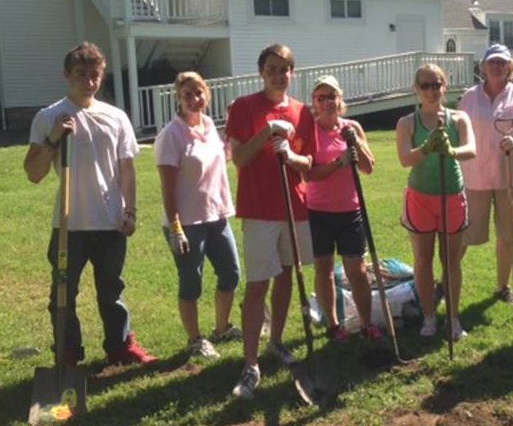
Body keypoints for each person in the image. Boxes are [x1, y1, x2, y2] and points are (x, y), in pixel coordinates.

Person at [23, 42, 157, 366]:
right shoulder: (49, 116)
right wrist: (54, 138)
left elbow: (126, 169)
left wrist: (130, 212)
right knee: (63, 296)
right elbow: (33, 173)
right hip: (70, 224)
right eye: (81, 74)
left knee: (112, 291)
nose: (89, 81)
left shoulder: (116, 117)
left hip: (110, 222)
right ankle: (68, 352)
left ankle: (120, 346)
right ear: (67, 75)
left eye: (95, 74)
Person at [225, 44, 316, 399]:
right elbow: (240, 159)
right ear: (261, 72)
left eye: (285, 69)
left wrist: (291, 155)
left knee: (286, 278)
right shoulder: (244, 108)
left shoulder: (302, 111)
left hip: (294, 207)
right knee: (258, 284)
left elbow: (308, 162)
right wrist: (266, 133)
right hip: (259, 209)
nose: (279, 75)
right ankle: (251, 364)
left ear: (292, 73)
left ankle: (276, 341)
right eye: (272, 69)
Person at [154, 72, 242, 359]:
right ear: (178, 99)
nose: (194, 99)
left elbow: (220, 160)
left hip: (216, 216)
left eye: (199, 93)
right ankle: (195, 340)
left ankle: (222, 328)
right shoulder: (171, 135)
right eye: (187, 94)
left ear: (207, 94)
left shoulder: (209, 127)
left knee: (231, 272)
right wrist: (176, 228)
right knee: (191, 281)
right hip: (187, 223)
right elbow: (167, 187)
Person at [396, 64, 476, 339]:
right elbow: (405, 159)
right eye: (425, 85)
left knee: (451, 261)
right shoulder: (407, 122)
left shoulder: (459, 118)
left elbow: (471, 149)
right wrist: (427, 147)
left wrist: (451, 150)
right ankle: (429, 318)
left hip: (451, 194)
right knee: (422, 259)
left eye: (436, 84)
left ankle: (453, 319)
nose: (431, 90)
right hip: (421, 196)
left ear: (445, 86)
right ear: (416, 89)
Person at [458, 44, 513, 303]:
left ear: (509, 67)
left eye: (502, 63)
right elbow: (458, 130)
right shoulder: (469, 97)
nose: (496, 67)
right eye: (492, 62)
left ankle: (502, 286)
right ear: (483, 67)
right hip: (475, 177)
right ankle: (447, 278)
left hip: (510, 178)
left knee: (508, 235)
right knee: (464, 234)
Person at [304, 75, 383, 342]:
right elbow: (309, 175)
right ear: (314, 102)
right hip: (317, 212)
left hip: (350, 211)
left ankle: (366, 323)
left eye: (331, 96)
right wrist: (338, 163)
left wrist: (355, 143)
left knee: (357, 272)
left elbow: (369, 168)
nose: (327, 102)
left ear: (340, 99)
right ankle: (334, 325)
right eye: (320, 97)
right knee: (323, 269)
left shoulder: (353, 127)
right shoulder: (309, 131)